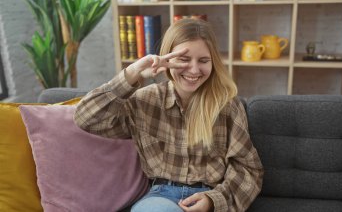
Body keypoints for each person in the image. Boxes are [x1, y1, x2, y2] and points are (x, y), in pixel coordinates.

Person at [74, 18, 263, 212]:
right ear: (167, 58)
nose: (194, 69)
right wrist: (133, 72)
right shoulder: (145, 100)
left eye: (204, 61)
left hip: (209, 197)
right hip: (161, 198)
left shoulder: (227, 105)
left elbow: (248, 169)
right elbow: (87, 118)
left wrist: (213, 200)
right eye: (184, 59)